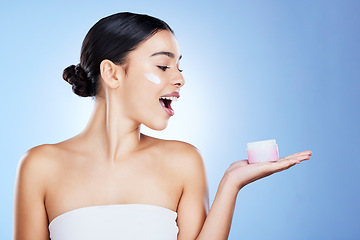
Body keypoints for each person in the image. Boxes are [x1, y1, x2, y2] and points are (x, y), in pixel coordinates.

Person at [13, 12, 312, 240]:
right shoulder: (40, 166)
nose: (180, 79)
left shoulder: (184, 162)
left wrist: (231, 184)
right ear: (112, 74)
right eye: (163, 65)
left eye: (179, 66)